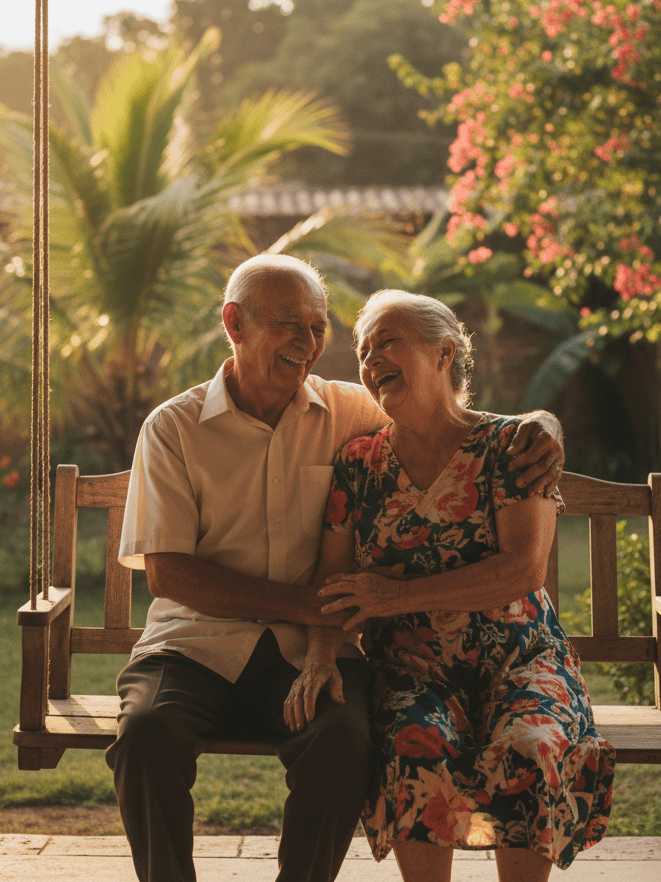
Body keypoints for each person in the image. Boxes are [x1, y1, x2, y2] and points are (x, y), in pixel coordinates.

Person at [107, 256, 567, 882]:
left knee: (345, 741)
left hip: (305, 651)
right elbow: (170, 577)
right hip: (194, 644)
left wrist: (545, 424)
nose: (308, 343)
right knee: (145, 737)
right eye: (289, 323)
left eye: (319, 327)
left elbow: (447, 420)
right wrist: (317, 606)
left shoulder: (351, 411)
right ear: (234, 324)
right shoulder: (174, 428)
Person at [284, 289, 614, 882]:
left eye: (388, 341)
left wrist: (396, 597)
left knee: (531, 745)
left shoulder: (513, 447)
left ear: (443, 353)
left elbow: (522, 571)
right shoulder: (357, 463)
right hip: (414, 669)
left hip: (523, 661)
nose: (372, 357)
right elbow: (331, 580)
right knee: (414, 745)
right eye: (364, 349)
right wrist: (319, 657)